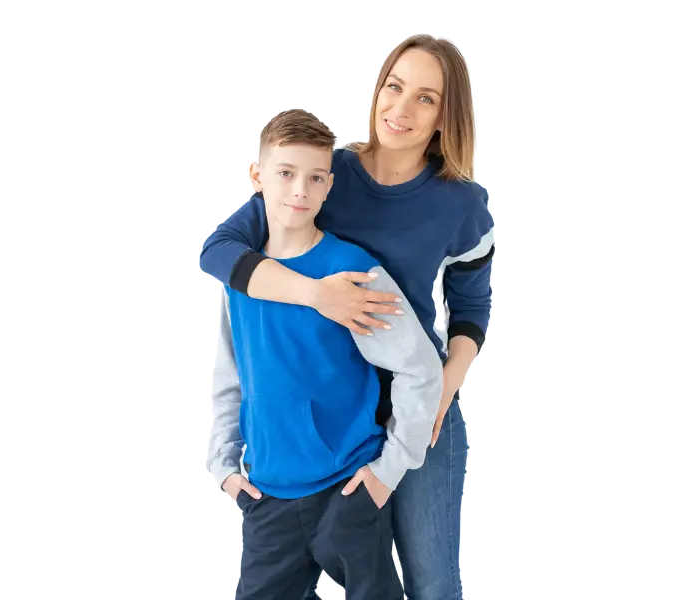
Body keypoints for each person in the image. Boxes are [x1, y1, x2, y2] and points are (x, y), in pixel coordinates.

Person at [201, 34, 493, 600]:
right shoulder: (318, 174)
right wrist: (318, 296)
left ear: (444, 116)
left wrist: (440, 390)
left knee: (430, 578)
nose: (401, 109)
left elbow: (473, 311)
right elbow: (221, 253)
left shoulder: (462, 204)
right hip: (327, 405)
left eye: (426, 98)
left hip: (419, 399)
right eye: (395, 87)